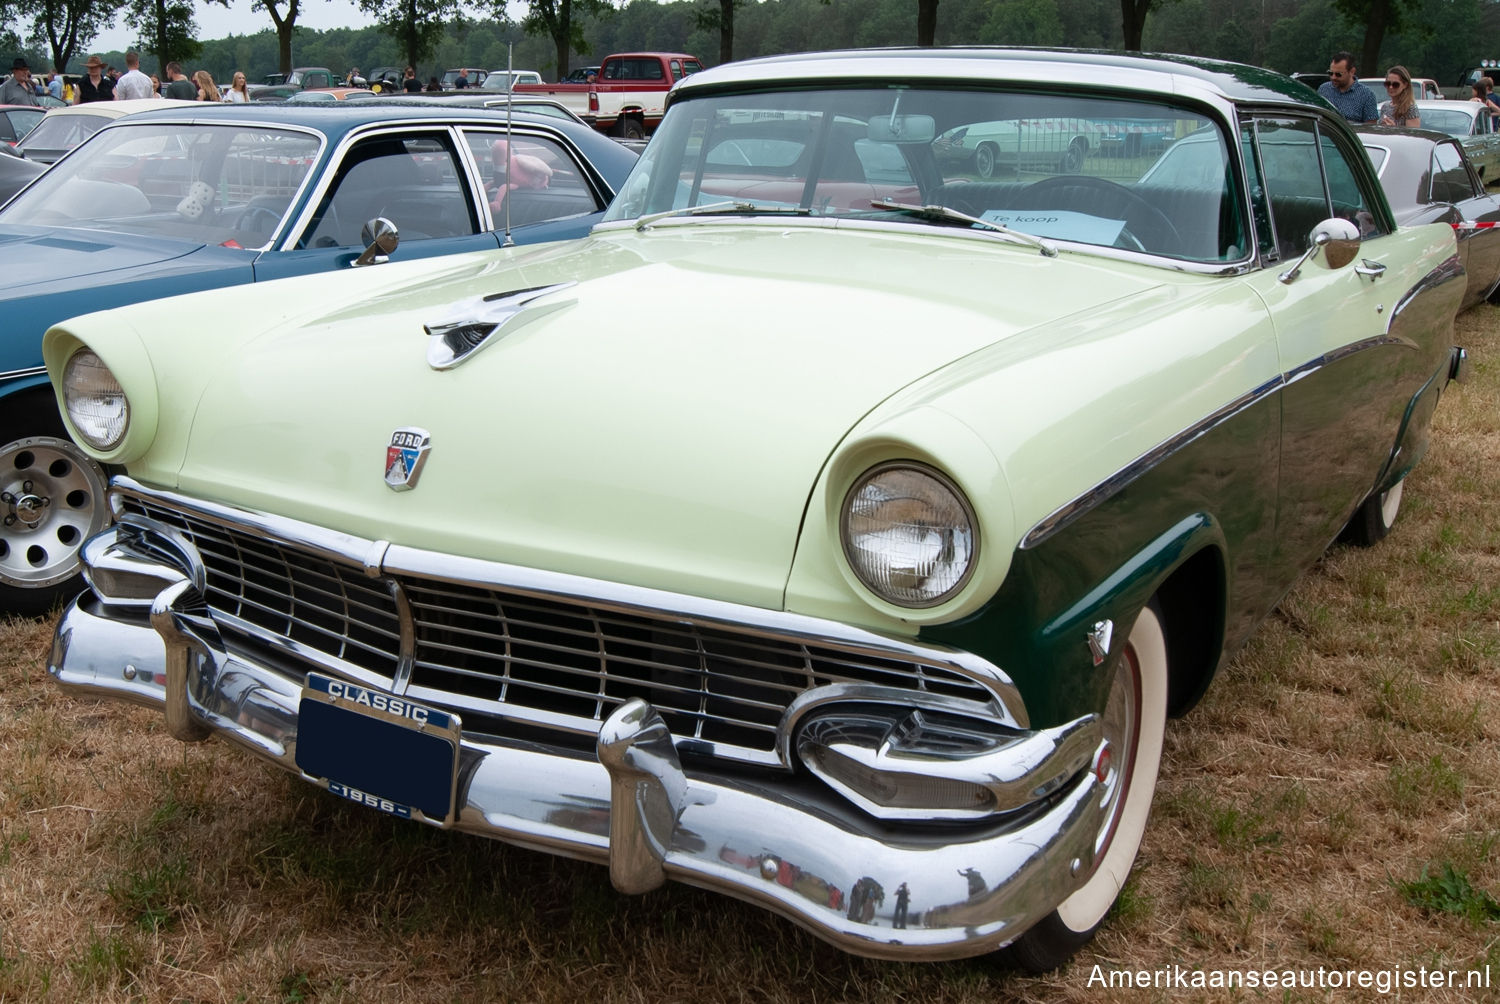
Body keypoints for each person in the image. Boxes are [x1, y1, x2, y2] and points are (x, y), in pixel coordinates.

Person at [1317, 51, 1378, 124]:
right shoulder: (1324, 89)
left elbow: (1370, 126)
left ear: (1352, 71)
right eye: (1330, 73)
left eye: (1338, 74)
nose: (1333, 77)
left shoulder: (1366, 95)